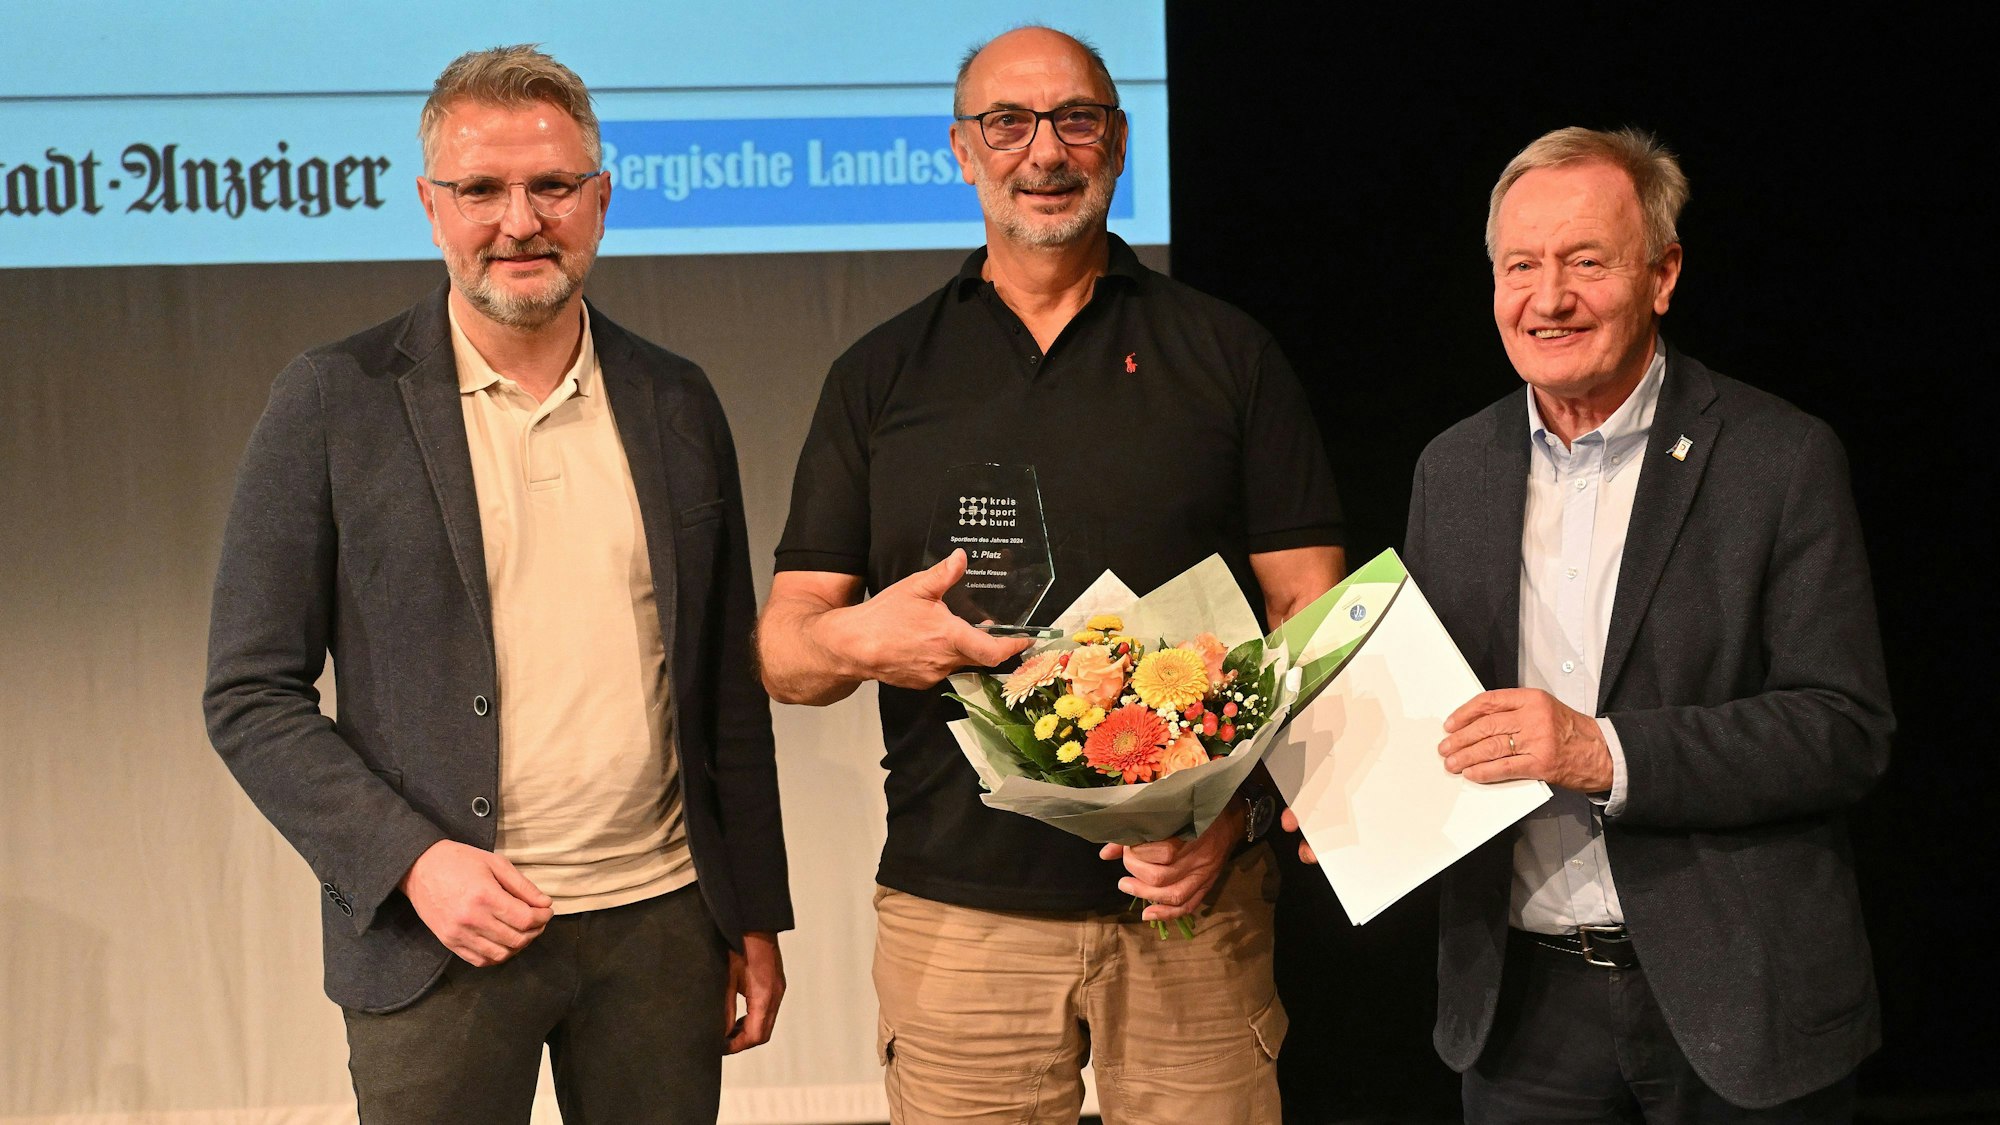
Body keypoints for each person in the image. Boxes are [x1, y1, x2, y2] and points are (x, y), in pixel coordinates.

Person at [755, 25, 1343, 1125]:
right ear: (959, 151)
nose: (1043, 152)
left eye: (1075, 120)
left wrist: (1234, 821)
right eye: (1007, 124)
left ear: (1116, 145)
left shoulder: (1227, 354)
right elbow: (787, 649)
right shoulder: (879, 374)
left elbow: (1310, 615)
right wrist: (863, 639)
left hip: (1191, 908)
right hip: (956, 917)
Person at [202, 45, 790, 1124]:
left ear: (599, 201)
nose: (519, 220)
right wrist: (415, 863)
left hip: (662, 923)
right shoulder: (333, 401)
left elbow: (721, 688)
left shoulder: (675, 401)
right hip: (443, 935)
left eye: (552, 186)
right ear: (431, 208)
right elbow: (248, 694)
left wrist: (752, 911)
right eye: (481, 189)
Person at [1318, 125, 1890, 1121]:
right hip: (1520, 1018)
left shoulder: (1777, 458)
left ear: (1662, 274)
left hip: (1737, 1007)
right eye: (1519, 267)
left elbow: (1841, 731)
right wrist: (1343, 788)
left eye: (1586, 262)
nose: (1548, 299)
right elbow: (1428, 709)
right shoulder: (1448, 469)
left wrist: (1600, 751)